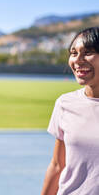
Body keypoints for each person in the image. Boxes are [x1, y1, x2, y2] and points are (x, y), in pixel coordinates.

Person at [41, 27, 99, 194]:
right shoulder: (65, 103)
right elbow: (58, 165)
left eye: (88, 52)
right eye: (74, 53)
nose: (78, 60)